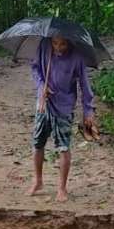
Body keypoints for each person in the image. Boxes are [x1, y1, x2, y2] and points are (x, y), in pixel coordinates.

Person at [29, 35, 97, 202]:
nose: (58, 47)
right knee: (38, 143)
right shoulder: (44, 46)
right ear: (50, 41)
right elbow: (35, 68)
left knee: (63, 147)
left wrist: (88, 111)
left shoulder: (77, 57)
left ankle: (62, 188)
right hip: (43, 104)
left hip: (64, 106)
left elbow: (84, 84)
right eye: (55, 43)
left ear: (69, 43)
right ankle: (37, 181)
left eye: (63, 44)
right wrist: (41, 86)